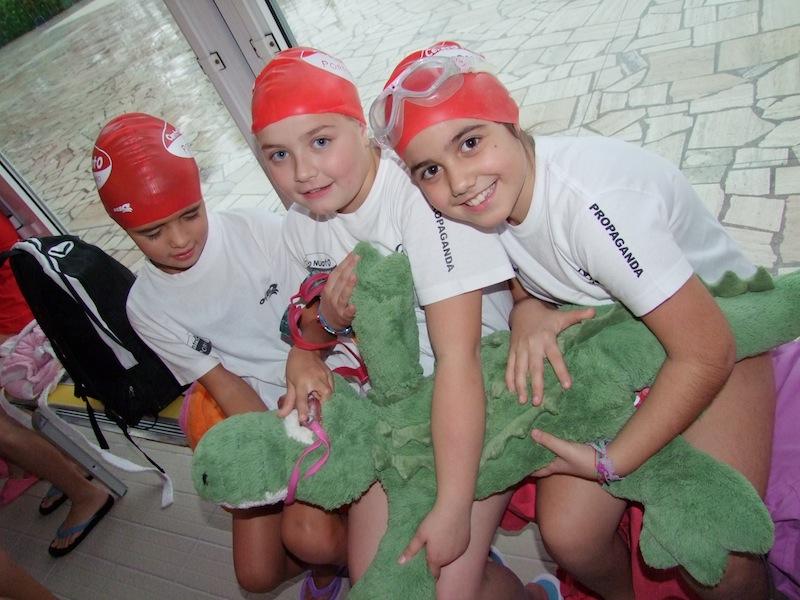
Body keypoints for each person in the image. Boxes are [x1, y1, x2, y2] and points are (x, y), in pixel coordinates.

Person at [370, 40, 777, 600]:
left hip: (719, 327)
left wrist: (612, 461)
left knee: (716, 549)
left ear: (509, 118)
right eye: (431, 170)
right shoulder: (479, 206)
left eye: (470, 142)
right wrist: (527, 305)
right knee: (570, 535)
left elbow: (708, 350)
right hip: (617, 343)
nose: (460, 181)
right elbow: (525, 257)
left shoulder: (591, 205)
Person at [251, 46, 566, 600]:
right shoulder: (302, 225)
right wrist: (307, 345)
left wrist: (452, 508)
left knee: (447, 590)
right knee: (377, 583)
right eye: (278, 155)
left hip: (481, 391)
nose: (302, 172)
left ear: (362, 129)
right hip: (395, 408)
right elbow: (313, 319)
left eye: (321, 141)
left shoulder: (418, 194)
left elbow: (459, 360)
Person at [92, 112, 346, 599]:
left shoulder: (256, 230)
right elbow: (225, 385)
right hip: (260, 411)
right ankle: (340, 548)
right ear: (124, 229)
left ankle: (375, 552)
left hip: (327, 378)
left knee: (310, 537)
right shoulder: (145, 306)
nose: (179, 240)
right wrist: (283, 456)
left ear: (202, 195)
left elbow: (324, 322)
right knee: (256, 576)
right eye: (153, 232)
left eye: (190, 215)